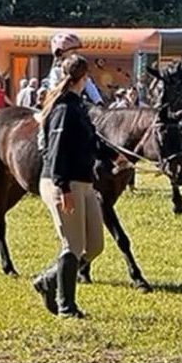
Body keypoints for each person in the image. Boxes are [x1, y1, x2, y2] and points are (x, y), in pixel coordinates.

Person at [31, 53, 117, 319]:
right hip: (62, 183)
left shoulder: (78, 106)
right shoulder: (63, 109)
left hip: (84, 182)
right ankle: (66, 307)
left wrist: (116, 157)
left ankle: (48, 279)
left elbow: (91, 142)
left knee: (95, 246)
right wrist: (63, 189)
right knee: (73, 245)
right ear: (84, 77)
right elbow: (57, 153)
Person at [45, 31, 103, 105]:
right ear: (60, 53)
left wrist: (99, 101)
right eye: (73, 52)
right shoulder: (57, 72)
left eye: (77, 52)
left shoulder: (80, 70)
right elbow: (53, 89)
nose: (77, 55)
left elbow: (89, 86)